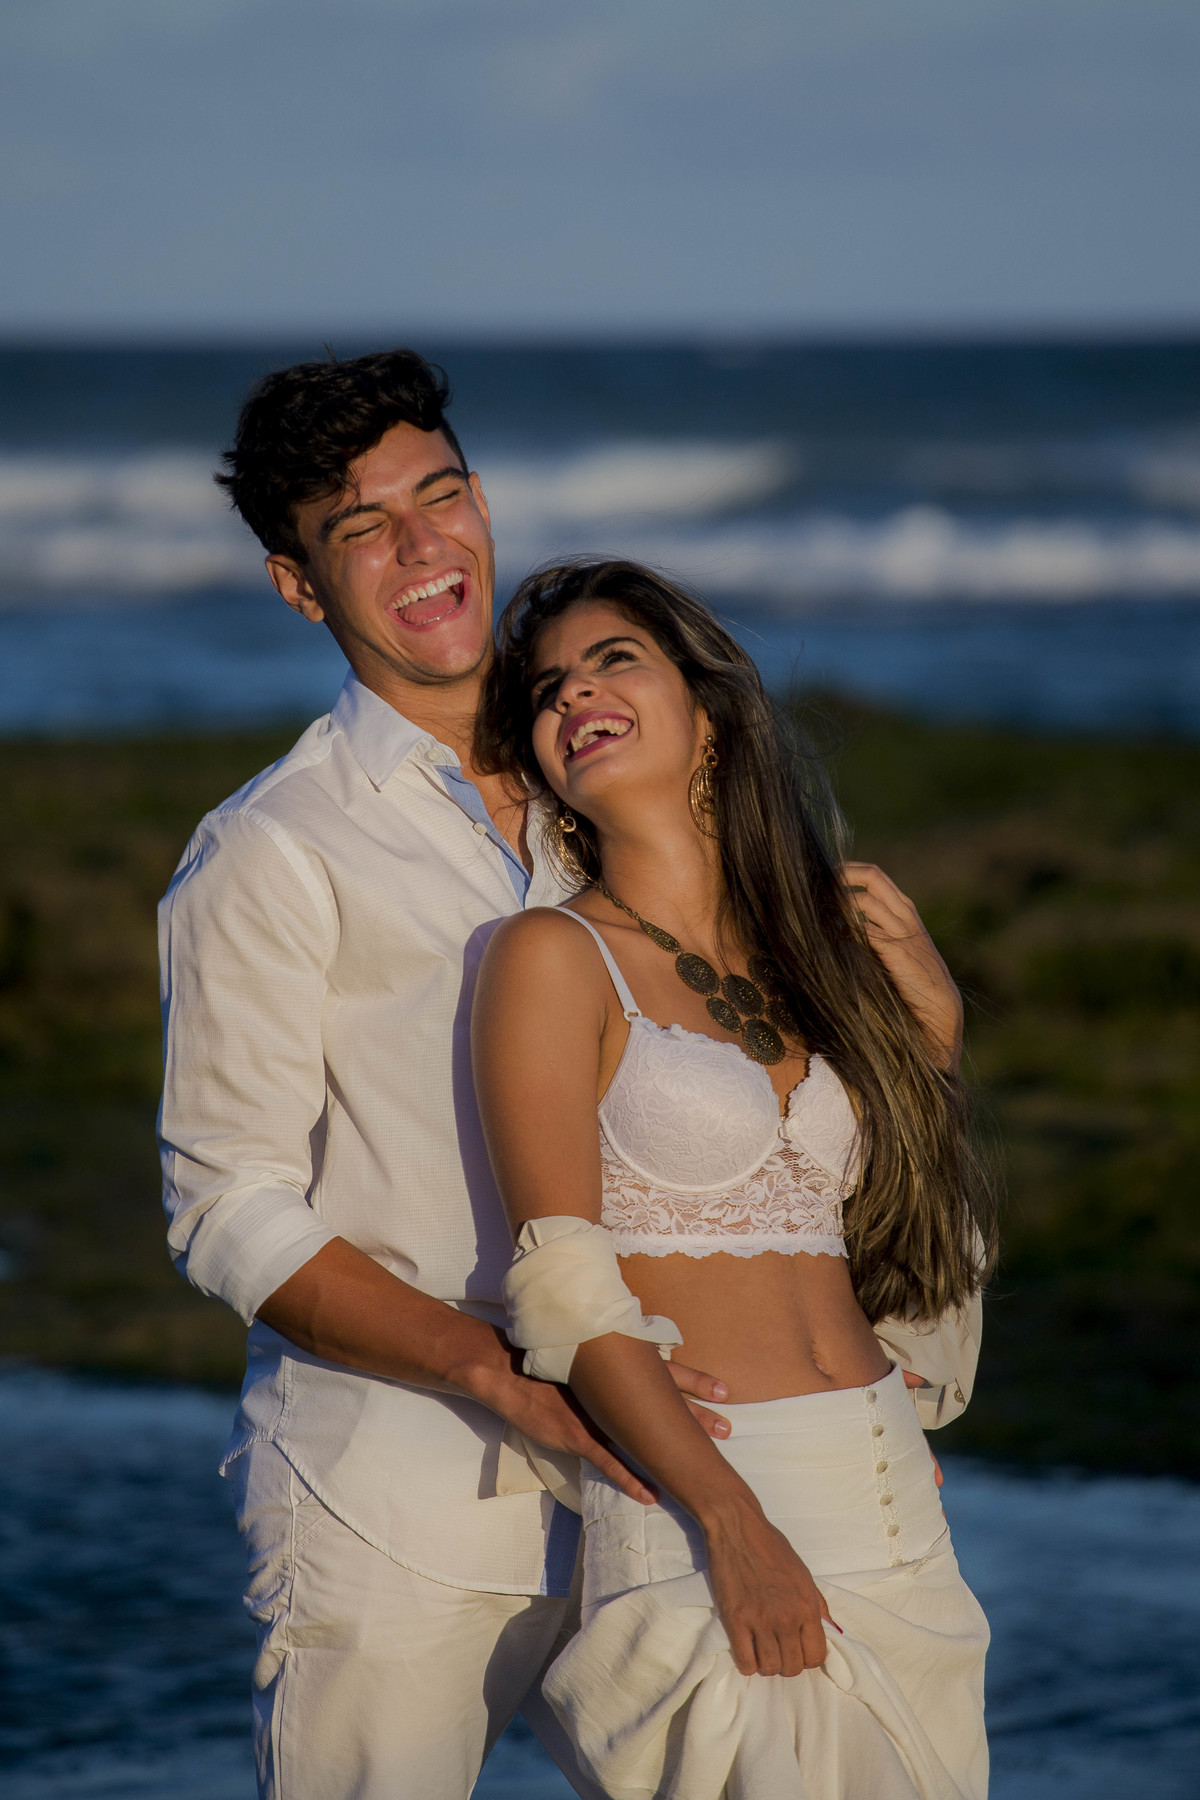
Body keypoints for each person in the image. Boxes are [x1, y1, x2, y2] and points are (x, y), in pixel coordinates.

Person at [157, 350, 735, 1800]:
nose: (425, 549)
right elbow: (227, 1208)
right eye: (363, 528)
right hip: (397, 1489)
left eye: (441, 495)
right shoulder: (273, 848)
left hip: (656, 1464)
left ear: (482, 501)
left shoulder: (607, 788)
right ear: (303, 587)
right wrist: (492, 1368)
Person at [471, 558, 996, 1799]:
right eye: (547, 688)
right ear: (543, 762)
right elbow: (563, 1292)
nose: (574, 695)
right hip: (713, 1492)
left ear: (710, 714)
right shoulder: (551, 956)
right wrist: (731, 1520)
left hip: (887, 1486)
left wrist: (940, 1035)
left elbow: (898, 1223)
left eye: (614, 661)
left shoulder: (815, 953)